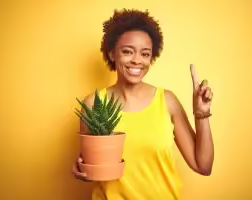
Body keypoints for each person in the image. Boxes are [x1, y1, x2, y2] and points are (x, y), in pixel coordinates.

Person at [72, 8, 214, 200]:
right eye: (127, 51)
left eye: (145, 54)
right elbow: (94, 166)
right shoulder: (94, 104)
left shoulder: (167, 101)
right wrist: (82, 170)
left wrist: (202, 114)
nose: (137, 60)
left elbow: (203, 166)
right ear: (113, 54)